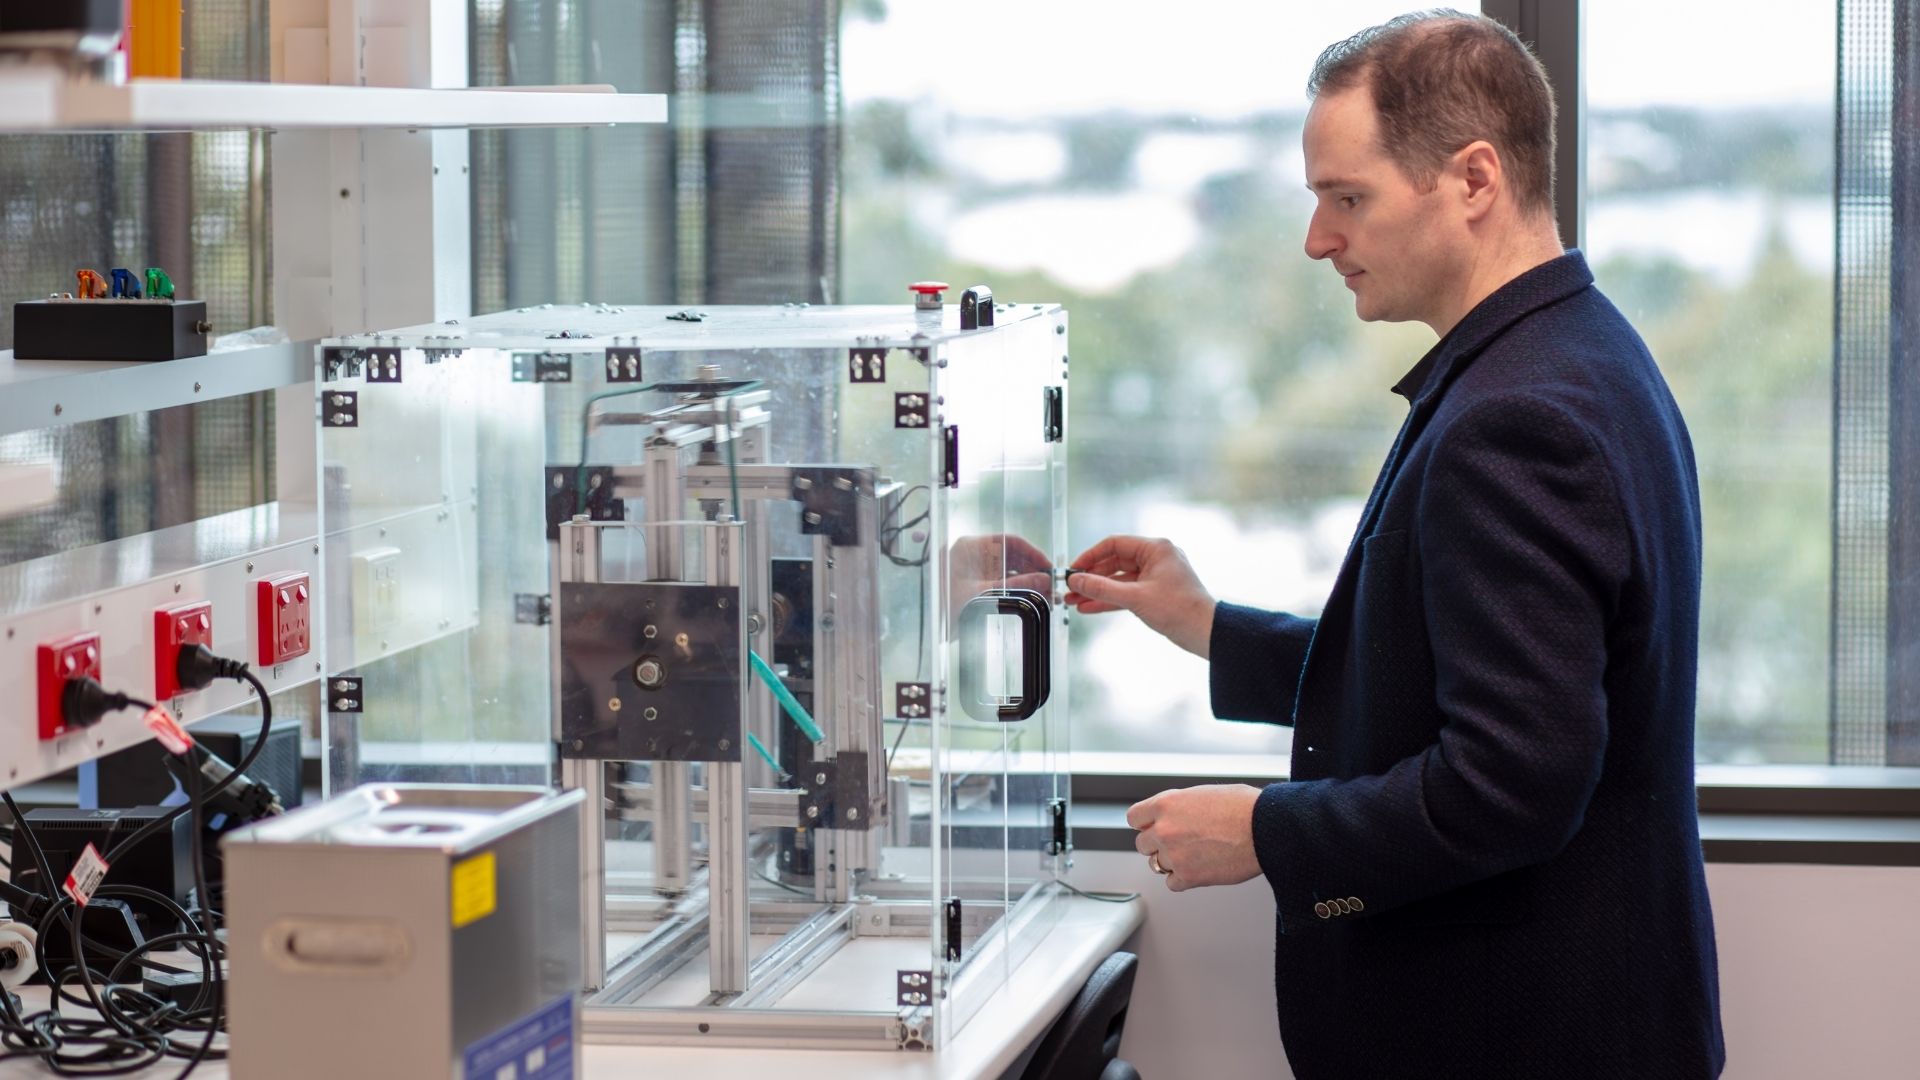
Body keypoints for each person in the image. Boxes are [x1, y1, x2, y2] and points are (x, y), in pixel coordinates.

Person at [1064, 11, 1724, 1079]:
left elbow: (1512, 784)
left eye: (1347, 199)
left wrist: (1268, 832)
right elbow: (1440, 665)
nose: (1318, 240)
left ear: (1474, 180)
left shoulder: (1518, 418)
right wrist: (1208, 626)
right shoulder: (1580, 350)